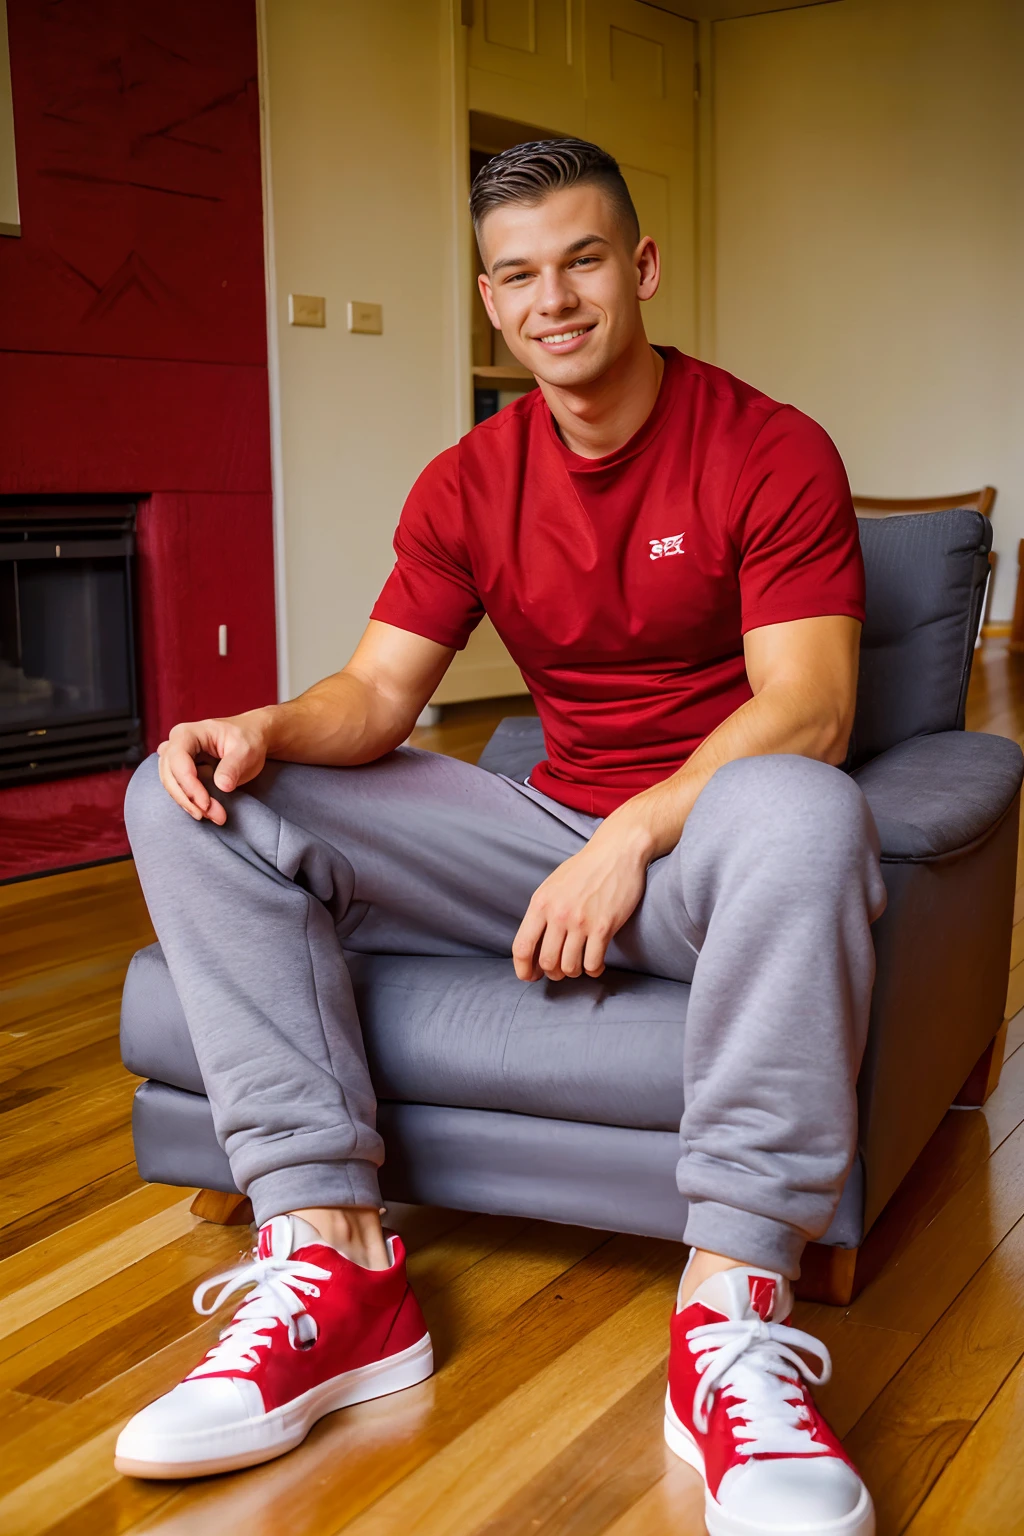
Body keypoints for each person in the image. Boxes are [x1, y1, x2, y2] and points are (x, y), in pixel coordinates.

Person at [116, 139, 883, 1536]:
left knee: (810, 806)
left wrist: (633, 835)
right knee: (191, 790)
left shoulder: (767, 447)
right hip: (535, 844)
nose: (556, 300)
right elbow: (379, 699)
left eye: (584, 260)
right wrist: (264, 728)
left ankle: (727, 1325)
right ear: (490, 299)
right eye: (520, 276)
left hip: (711, 858)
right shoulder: (468, 481)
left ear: (641, 268)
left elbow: (815, 707)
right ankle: (333, 1260)